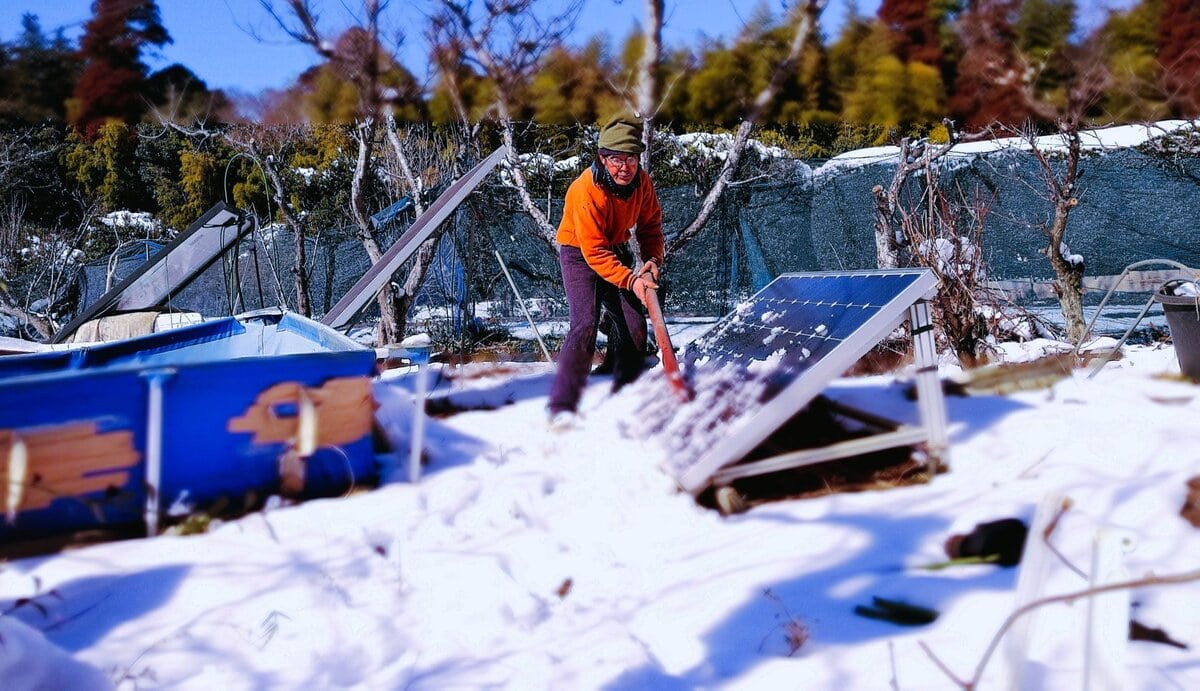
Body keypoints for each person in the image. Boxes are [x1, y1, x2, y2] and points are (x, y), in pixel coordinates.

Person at [547, 110, 664, 427]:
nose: (624, 168)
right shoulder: (585, 191)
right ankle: (563, 402)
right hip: (579, 252)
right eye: (616, 160)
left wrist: (652, 261)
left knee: (634, 324)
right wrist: (631, 280)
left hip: (614, 247)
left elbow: (651, 227)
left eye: (631, 159)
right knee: (584, 323)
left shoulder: (642, 184)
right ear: (602, 158)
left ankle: (622, 383)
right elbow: (595, 252)